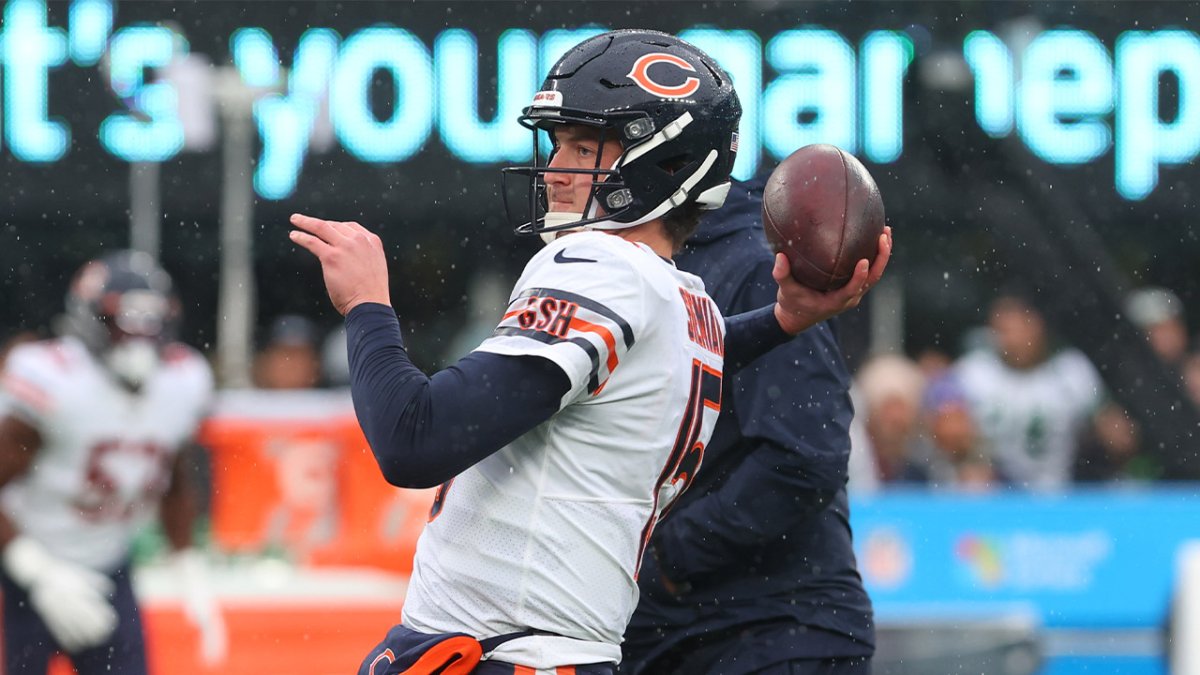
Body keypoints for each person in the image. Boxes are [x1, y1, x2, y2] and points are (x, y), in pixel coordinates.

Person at [288, 29, 890, 674]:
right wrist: (781, 320)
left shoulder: (601, 264)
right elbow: (695, 349)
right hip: (564, 650)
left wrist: (367, 308)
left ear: (661, 163)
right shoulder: (680, 297)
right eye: (556, 145)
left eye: (581, 147)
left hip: (504, 652)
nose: (554, 170)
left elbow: (413, 440)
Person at [621, 175, 876, 675]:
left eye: (586, 147)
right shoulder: (634, 268)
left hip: (767, 630)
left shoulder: (757, 266)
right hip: (677, 633)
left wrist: (670, 559)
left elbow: (805, 457)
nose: (563, 169)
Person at [0, 251, 226, 673]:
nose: (137, 338)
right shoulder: (54, 378)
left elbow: (174, 480)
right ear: (90, 318)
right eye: (123, 323)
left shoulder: (181, 381)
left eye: (149, 323)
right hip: (25, 558)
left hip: (109, 560)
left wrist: (189, 569)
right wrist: (37, 573)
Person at [953, 292, 1103, 490]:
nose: (1011, 339)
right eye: (1002, 330)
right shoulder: (972, 374)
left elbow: (1105, 433)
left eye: (1018, 327)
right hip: (992, 495)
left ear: (1038, 326)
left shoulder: (1072, 373)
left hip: (1059, 493)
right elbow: (947, 431)